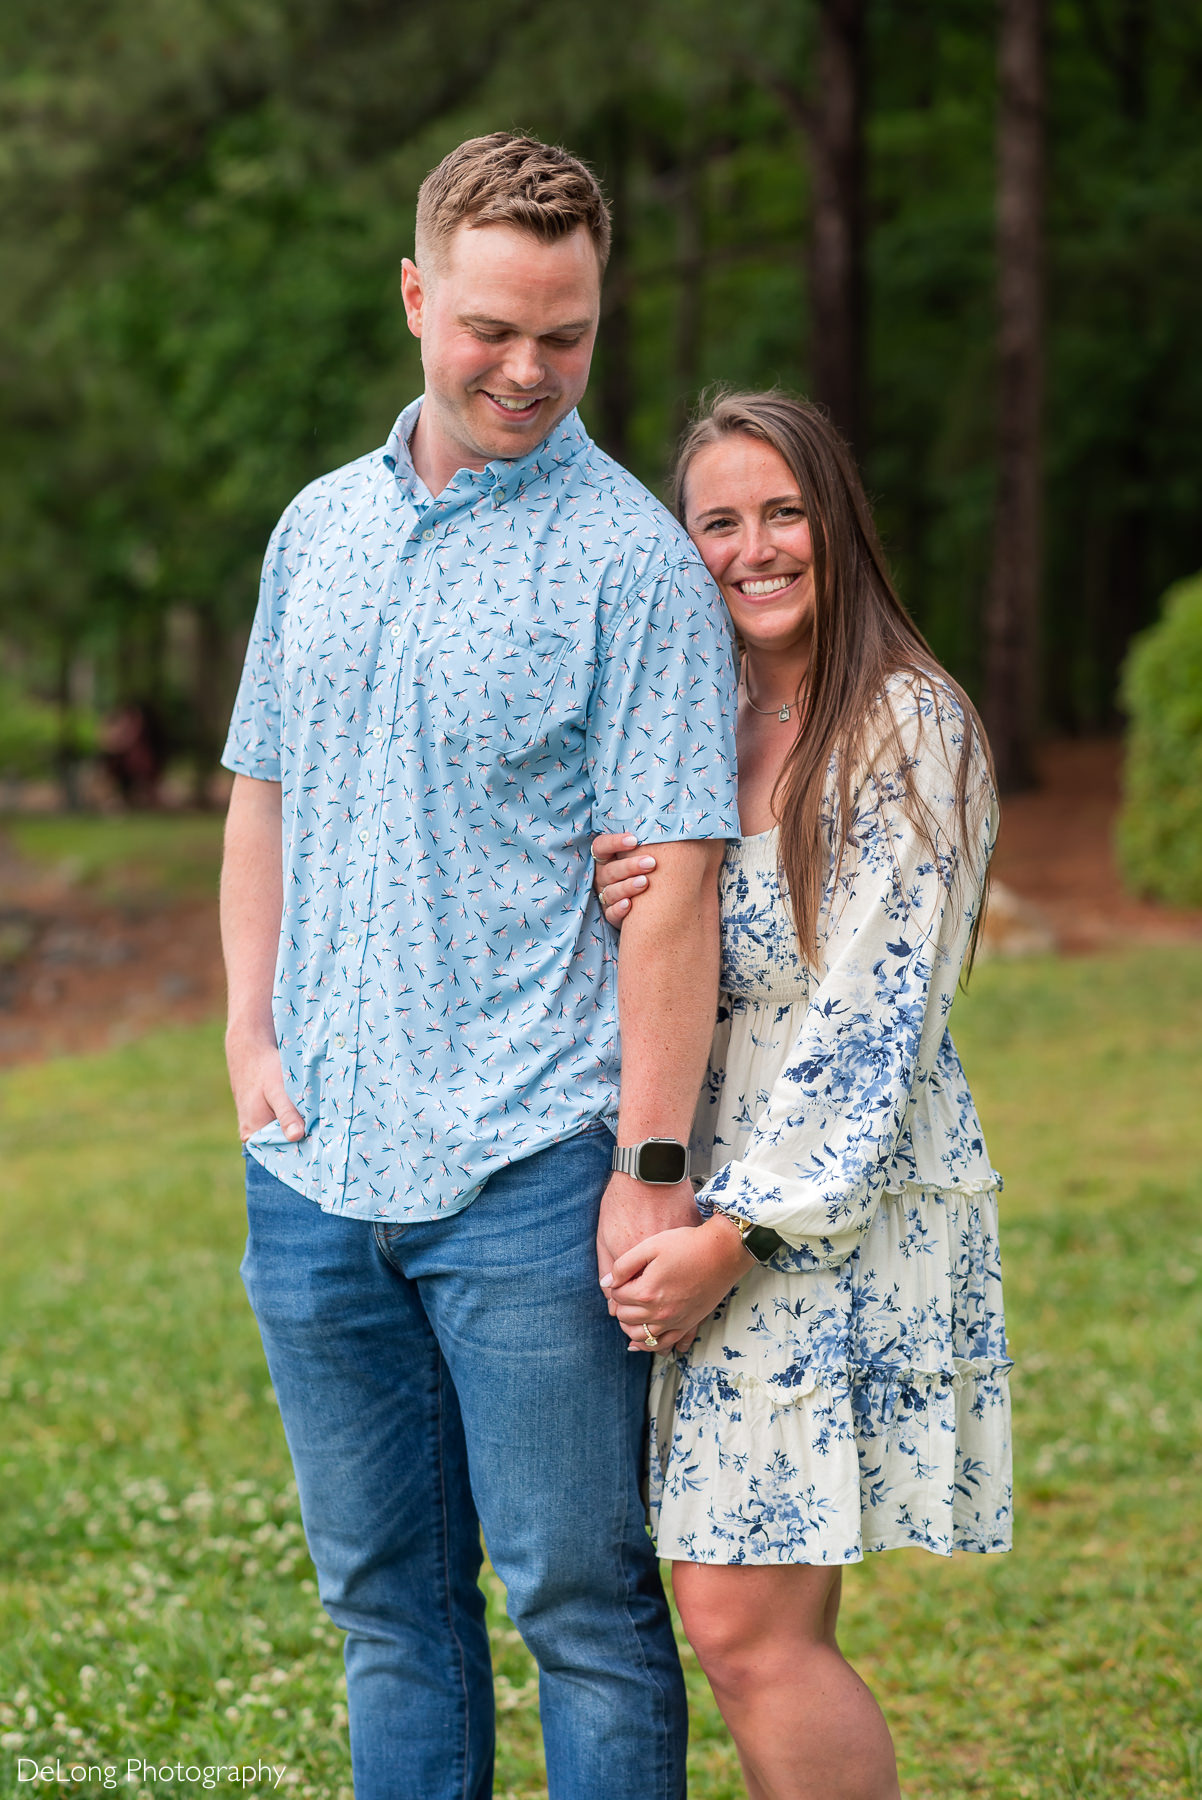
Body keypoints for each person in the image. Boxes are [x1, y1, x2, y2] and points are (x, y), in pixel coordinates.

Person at [218, 134, 742, 1800]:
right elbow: (263, 789)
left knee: (580, 1607)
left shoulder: (635, 567)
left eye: (566, 334)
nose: (527, 369)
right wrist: (248, 1033)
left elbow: (677, 890)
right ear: (414, 297)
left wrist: (647, 1168)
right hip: (314, 1172)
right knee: (383, 1605)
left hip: (527, 1165)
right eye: (492, 327)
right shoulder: (317, 531)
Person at [592, 391, 1013, 1800]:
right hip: (706, 1175)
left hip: (821, 1208)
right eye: (718, 520)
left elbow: (874, 1024)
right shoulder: (696, 720)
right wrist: (619, 897)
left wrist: (736, 1234)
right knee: (749, 1617)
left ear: (836, 524)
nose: (753, 547)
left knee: (740, 1622)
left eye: (782, 513)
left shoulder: (906, 725)